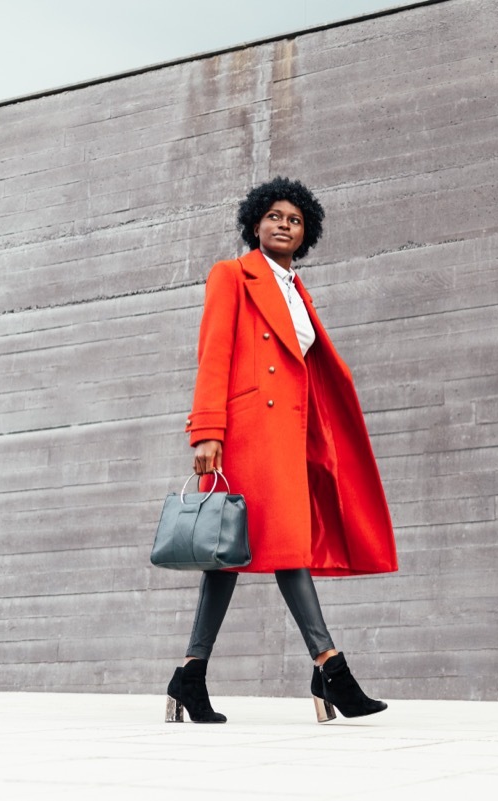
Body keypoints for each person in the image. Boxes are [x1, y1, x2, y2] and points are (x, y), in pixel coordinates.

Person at [164, 177, 398, 724]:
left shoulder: (297, 289)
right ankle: (330, 668)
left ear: (305, 232)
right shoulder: (233, 275)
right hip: (247, 436)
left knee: (229, 557)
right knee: (274, 547)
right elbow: (214, 354)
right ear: (255, 223)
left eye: (294, 220)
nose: (283, 224)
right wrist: (207, 430)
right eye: (273, 216)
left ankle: (189, 676)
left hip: (291, 436)